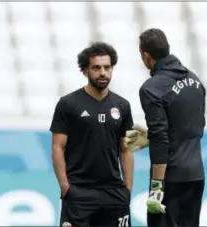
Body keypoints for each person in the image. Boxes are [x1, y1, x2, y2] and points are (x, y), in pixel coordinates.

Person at [125, 28, 206, 227]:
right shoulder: (195, 80)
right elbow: (197, 126)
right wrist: (152, 136)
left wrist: (156, 189)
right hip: (196, 175)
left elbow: (162, 139)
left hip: (170, 179)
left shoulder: (151, 88)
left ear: (145, 55)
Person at [50, 42, 134, 227]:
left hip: (114, 193)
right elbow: (57, 147)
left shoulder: (123, 106)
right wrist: (66, 187)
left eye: (107, 67)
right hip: (79, 192)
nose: (102, 72)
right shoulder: (68, 104)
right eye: (96, 68)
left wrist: (127, 189)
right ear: (85, 71)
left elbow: (126, 149)